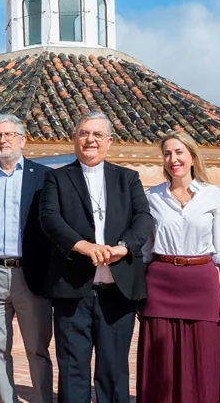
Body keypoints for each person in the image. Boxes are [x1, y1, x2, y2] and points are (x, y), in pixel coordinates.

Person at [39, 111, 153, 403]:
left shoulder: (128, 178)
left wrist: (124, 247)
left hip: (118, 289)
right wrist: (83, 246)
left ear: (109, 142)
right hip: (72, 287)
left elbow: (143, 218)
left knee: (114, 370)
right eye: (84, 133)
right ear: (75, 139)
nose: (90, 140)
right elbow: (50, 218)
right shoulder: (56, 178)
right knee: (72, 368)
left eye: (98, 134)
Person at [137, 130, 220, 403]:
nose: (173, 159)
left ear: (192, 156)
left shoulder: (213, 195)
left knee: (203, 357)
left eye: (179, 152)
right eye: (167, 153)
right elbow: (145, 249)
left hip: (202, 283)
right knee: (162, 361)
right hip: (160, 283)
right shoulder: (151, 196)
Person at [0, 113, 54, 403]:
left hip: (30, 275)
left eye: (9, 135)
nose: (2, 140)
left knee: (37, 350)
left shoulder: (44, 177)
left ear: (22, 139)